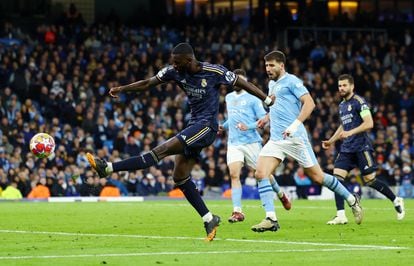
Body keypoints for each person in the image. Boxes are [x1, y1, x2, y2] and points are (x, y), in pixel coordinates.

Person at [86, 43, 274, 241]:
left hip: (207, 127)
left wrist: (266, 99)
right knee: (180, 177)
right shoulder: (173, 72)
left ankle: (107, 168)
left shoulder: (213, 71)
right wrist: (122, 88)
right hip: (193, 125)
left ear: (189, 60)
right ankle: (209, 218)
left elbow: (243, 83)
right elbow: (147, 83)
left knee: (162, 150)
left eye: (177, 62)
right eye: (173, 62)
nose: (173, 65)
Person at [251, 51, 363, 232]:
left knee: (317, 176)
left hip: (295, 138)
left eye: (271, 65)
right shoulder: (272, 84)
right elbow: (279, 108)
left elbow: (310, 104)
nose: (268, 69)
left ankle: (351, 199)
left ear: (281, 65)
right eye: (266, 65)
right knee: (260, 173)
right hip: (277, 139)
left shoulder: (293, 81)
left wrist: (294, 126)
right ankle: (271, 218)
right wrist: (266, 117)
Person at [322, 74, 405, 224]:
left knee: (370, 180)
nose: (341, 88)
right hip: (347, 148)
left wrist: (350, 132)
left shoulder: (359, 102)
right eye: (339, 85)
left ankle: (396, 199)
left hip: (361, 147)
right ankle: (341, 215)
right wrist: (331, 140)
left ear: (352, 86)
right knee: (337, 179)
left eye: (344, 85)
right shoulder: (341, 106)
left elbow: (369, 123)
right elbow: (343, 126)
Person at [221, 69, 291, 223]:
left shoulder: (253, 98)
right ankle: (237, 211)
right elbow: (231, 118)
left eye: (239, 79)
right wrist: (223, 126)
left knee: (264, 174)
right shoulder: (228, 97)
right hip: (234, 143)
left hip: (251, 142)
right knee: (234, 174)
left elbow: (263, 120)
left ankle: (280, 194)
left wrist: (249, 126)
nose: (236, 82)